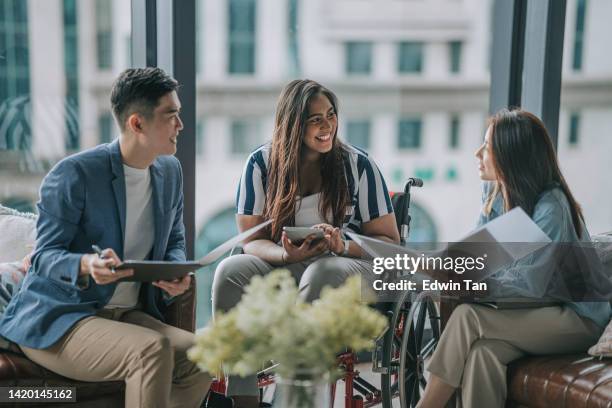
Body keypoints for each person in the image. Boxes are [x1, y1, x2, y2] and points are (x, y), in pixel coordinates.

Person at [0, 67, 211, 408]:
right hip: (62, 319)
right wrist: (86, 264)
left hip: (126, 315)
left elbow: (173, 240)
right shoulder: (75, 174)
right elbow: (44, 256)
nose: (181, 126)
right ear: (137, 123)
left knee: (204, 356)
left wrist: (173, 272)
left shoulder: (169, 171)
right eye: (171, 116)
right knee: (151, 351)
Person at [212, 79, 400, 408]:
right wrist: (285, 254)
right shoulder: (261, 165)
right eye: (316, 119)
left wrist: (342, 245)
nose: (327, 126)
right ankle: (243, 400)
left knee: (322, 272)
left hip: (351, 265)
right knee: (230, 270)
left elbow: (387, 242)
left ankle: (298, 398)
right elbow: (251, 240)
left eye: (331, 115)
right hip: (288, 262)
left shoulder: (359, 166)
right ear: (293, 123)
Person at [417, 109, 611, 408]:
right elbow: (475, 253)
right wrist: (436, 264)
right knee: (483, 353)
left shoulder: (552, 208)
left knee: (467, 316)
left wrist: (470, 286)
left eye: (488, 147)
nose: (477, 152)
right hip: (540, 312)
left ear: (511, 157)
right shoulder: (497, 194)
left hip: (578, 318)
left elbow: (531, 286)